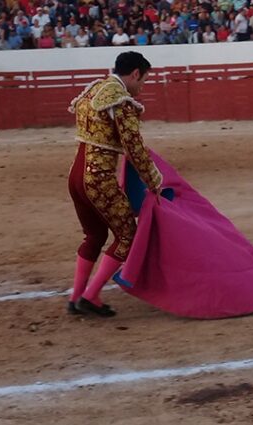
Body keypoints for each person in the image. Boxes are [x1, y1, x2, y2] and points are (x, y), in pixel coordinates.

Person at [66, 52, 163, 317]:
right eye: (143, 80)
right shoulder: (119, 100)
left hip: (75, 177)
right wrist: (154, 180)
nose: (142, 87)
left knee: (95, 236)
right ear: (134, 74)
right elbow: (134, 147)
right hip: (98, 179)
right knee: (127, 235)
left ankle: (76, 298)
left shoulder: (94, 89)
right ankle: (90, 296)